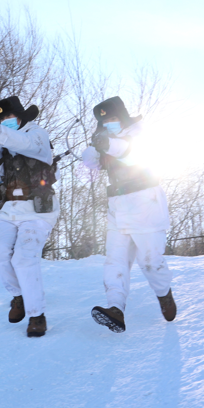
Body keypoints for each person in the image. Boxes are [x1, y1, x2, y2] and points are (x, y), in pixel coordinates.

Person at [81, 96, 175, 333]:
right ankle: (116, 309)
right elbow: (90, 162)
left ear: (122, 117)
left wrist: (109, 144)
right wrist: (95, 146)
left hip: (146, 205)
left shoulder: (139, 133)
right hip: (117, 208)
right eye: (105, 122)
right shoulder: (107, 140)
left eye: (113, 118)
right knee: (115, 261)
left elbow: (132, 154)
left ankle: (164, 293)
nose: (110, 123)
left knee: (150, 262)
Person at [0, 96, 59, 337]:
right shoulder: (0, 141)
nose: (6, 122)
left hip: (38, 210)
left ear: (21, 117)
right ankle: (19, 296)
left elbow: (24, 144)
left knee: (24, 258)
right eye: (1, 119)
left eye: (9, 117)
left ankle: (37, 315)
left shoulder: (37, 135)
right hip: (9, 209)